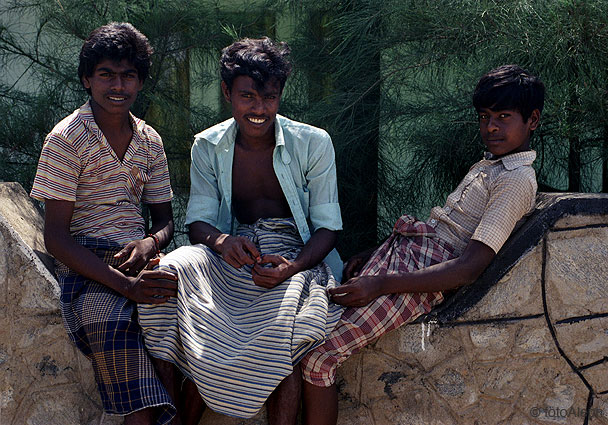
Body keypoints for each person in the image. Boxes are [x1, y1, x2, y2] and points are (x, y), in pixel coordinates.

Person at [298, 64, 545, 425]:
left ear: (532, 120)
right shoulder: (492, 165)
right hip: (409, 259)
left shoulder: (515, 179)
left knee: (319, 355)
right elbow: (437, 229)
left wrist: (379, 284)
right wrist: (374, 256)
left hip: (421, 283)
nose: (491, 127)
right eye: (485, 116)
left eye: (504, 117)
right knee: (308, 325)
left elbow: (469, 267)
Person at [137, 37, 344, 425]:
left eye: (269, 97)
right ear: (227, 92)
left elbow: (328, 229)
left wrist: (293, 266)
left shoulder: (314, 142)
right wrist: (222, 240)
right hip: (231, 253)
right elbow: (198, 222)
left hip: (294, 255)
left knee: (286, 323)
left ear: (280, 95)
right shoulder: (208, 145)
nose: (259, 109)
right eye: (247, 96)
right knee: (169, 273)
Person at [30, 22, 178, 425]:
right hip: (87, 268)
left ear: (141, 82)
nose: (118, 85)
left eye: (128, 75)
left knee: (191, 318)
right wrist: (125, 286)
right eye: (106, 74)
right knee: (108, 321)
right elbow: (57, 239)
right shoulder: (66, 139)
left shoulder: (150, 141)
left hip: (139, 257)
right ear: (86, 80)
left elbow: (165, 220)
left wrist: (149, 244)